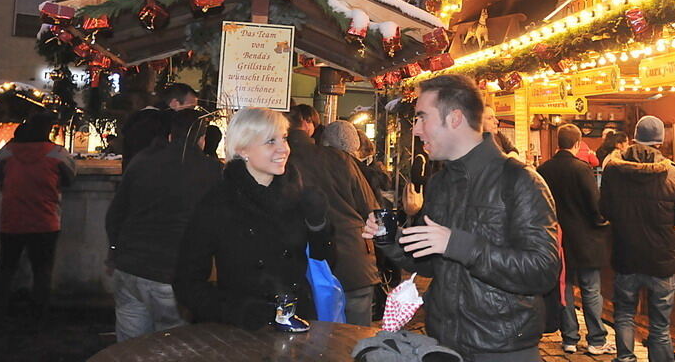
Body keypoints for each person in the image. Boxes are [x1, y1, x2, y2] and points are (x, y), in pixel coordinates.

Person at [365, 74, 560, 361]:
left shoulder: (520, 180)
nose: (416, 130)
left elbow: (542, 271)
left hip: (502, 350)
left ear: (454, 118)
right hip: (443, 344)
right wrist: (390, 239)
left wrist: (458, 245)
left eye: (422, 118)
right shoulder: (441, 183)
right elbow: (431, 263)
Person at [174, 107, 331, 329]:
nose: (283, 149)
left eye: (284, 139)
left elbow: (326, 260)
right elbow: (187, 282)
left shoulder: (298, 194)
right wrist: (239, 311)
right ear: (243, 149)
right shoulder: (219, 202)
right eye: (270, 142)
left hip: (299, 322)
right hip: (243, 331)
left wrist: (318, 224)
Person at [105, 108, 223, 341]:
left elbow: (115, 214)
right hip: (172, 274)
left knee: (130, 346)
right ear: (202, 139)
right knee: (173, 346)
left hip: (129, 269)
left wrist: (114, 251)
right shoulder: (211, 171)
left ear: (170, 135)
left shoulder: (142, 160)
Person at [600, 115, 675, 362]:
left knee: (624, 315)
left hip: (625, 254)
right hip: (660, 259)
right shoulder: (673, 174)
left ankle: (626, 358)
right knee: (660, 327)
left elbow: (605, 209)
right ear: (659, 142)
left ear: (634, 138)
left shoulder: (613, 170)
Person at [0, 112, 76, 330]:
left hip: (11, 219)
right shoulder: (57, 153)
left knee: (6, 268)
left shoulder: (8, 153)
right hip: (45, 220)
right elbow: (70, 177)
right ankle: (38, 317)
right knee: (42, 271)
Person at [536, 124, 614, 355]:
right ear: (578, 143)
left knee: (565, 289)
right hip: (585, 240)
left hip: (556, 240)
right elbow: (594, 205)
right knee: (591, 290)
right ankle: (596, 339)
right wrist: (603, 223)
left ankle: (569, 337)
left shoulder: (543, 170)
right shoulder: (581, 170)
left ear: (558, 143)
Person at [317, 120, 381, 326]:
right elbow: (374, 212)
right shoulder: (358, 169)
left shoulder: (310, 163)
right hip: (356, 262)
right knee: (357, 333)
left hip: (323, 264)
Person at [121, 83, 198, 170]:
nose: (191, 114)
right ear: (174, 104)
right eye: (190, 108)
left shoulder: (138, 119)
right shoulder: (165, 124)